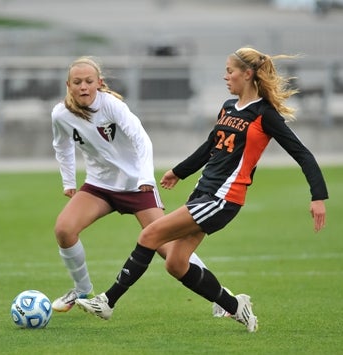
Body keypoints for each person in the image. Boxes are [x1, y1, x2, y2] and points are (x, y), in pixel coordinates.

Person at [76, 47, 328, 332]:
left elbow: (303, 153)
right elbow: (210, 146)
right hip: (203, 193)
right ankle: (236, 307)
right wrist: (179, 172)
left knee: (150, 233)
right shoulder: (229, 107)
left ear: (247, 74)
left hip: (223, 198)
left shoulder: (264, 115)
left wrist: (317, 196)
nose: (225, 76)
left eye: (230, 71)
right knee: (176, 263)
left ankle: (107, 301)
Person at [51, 56, 230, 316]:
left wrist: (145, 178)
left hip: (137, 186)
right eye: (77, 82)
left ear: (99, 83)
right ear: (68, 85)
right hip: (99, 187)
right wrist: (69, 181)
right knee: (64, 230)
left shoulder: (112, 106)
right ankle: (81, 289)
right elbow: (62, 145)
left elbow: (141, 139)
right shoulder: (61, 114)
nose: (83, 87)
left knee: (169, 250)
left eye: (89, 81)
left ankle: (221, 298)